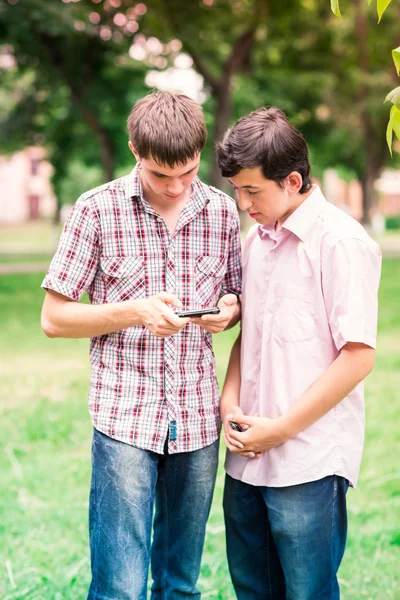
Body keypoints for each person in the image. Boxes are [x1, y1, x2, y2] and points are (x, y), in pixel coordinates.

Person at [41, 91, 242, 600]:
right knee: (120, 588)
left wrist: (230, 310)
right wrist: (133, 311)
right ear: (134, 150)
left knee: (181, 585)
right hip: (124, 417)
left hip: (197, 419)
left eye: (189, 172)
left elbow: (238, 295)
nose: (176, 188)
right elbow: (53, 318)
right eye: (159, 175)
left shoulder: (222, 213)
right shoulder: (97, 210)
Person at [216, 107, 382, 600]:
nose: (243, 203)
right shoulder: (257, 241)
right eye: (237, 190)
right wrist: (230, 406)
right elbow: (252, 336)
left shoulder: (342, 242)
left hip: (306, 461)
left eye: (252, 191)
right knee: (252, 588)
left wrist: (281, 429)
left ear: (292, 180)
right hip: (246, 458)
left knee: (307, 592)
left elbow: (357, 356)